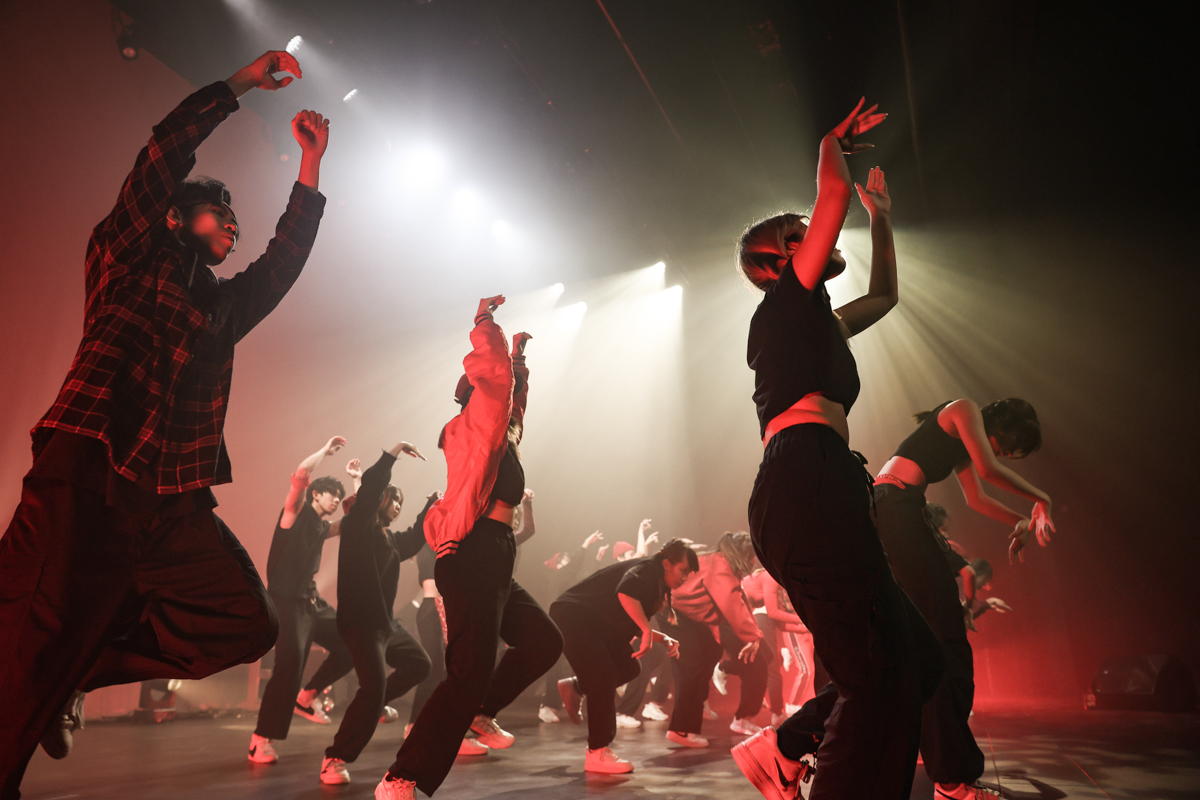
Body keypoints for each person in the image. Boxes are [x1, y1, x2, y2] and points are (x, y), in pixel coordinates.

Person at [0, 50, 329, 800]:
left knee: (248, 623)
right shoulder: (126, 253)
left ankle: (78, 674)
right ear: (175, 218)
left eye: (238, 221)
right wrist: (241, 84)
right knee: (27, 637)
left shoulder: (221, 308)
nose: (235, 226)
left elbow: (281, 265)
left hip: (165, 498)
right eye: (221, 212)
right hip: (86, 468)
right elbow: (161, 153)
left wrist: (309, 169)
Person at [732, 99, 945, 800]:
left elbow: (883, 296)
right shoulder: (784, 305)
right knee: (872, 676)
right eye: (799, 235)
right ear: (776, 264)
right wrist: (832, 141)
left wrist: (881, 218)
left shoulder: (817, 318)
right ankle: (793, 758)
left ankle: (783, 747)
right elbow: (830, 194)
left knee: (917, 661)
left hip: (825, 481)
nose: (816, 231)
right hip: (803, 480)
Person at [376, 296, 563, 800]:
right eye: (500, 386)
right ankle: (401, 777)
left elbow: (514, 403)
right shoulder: (471, 429)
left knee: (543, 641)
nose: (508, 393)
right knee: (466, 674)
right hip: (472, 553)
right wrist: (485, 323)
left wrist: (520, 359)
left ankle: (481, 713)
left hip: (495, 554)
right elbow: (499, 382)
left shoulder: (500, 437)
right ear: (474, 394)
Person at [871, 400, 1052, 800]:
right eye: (1009, 445)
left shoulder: (959, 442)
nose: (1005, 454)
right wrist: (1042, 499)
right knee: (943, 642)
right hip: (897, 512)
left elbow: (977, 498)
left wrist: (1019, 521)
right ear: (1001, 424)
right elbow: (988, 470)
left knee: (934, 644)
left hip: (898, 512)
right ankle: (951, 780)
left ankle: (948, 772)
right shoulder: (964, 408)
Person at [318, 441, 434, 785]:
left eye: (401, 503)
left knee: (419, 664)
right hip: (360, 625)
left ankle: (374, 703)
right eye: (393, 500)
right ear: (380, 499)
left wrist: (431, 505)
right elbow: (368, 491)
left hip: (385, 624)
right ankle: (335, 758)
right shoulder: (358, 526)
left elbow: (416, 537)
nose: (397, 506)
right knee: (371, 689)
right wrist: (393, 453)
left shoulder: (391, 540)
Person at [248, 437, 356, 763]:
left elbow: (354, 521)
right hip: (285, 602)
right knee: (289, 667)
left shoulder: (322, 528)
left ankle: (306, 697)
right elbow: (300, 474)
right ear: (316, 494)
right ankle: (260, 740)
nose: (336, 499)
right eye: (331, 493)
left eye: (339, 496)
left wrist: (358, 482)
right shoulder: (293, 513)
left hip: (311, 602)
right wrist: (325, 451)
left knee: (354, 642)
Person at [551, 539, 697, 773]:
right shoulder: (649, 568)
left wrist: (662, 638)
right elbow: (625, 591)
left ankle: (576, 687)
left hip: (595, 622)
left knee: (629, 667)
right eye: (683, 570)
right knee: (603, 676)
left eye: (688, 573)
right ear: (667, 564)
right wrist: (647, 630)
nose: (685, 578)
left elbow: (633, 619)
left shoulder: (655, 582)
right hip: (574, 616)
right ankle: (597, 752)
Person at [668, 531, 770, 746]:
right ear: (744, 554)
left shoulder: (719, 561)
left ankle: (697, 706)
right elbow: (732, 605)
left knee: (711, 655)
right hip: (674, 612)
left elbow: (740, 600)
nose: (754, 562)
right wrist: (752, 635)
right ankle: (682, 729)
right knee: (693, 666)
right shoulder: (721, 566)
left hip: (688, 615)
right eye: (753, 557)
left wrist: (754, 635)